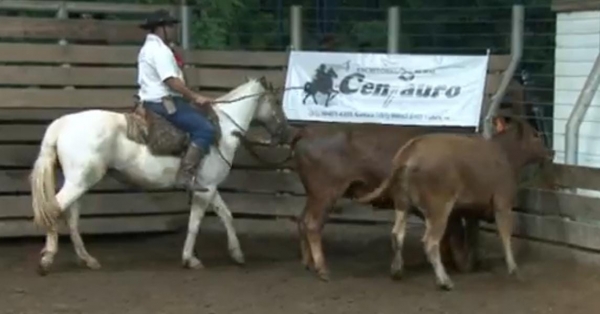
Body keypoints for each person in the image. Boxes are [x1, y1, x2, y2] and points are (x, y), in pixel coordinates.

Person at [137, 9, 215, 192]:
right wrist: (195, 97)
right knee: (205, 129)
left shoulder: (148, 48)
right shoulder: (160, 50)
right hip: (163, 103)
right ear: (160, 28)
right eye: (170, 25)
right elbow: (171, 81)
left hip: (154, 101)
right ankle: (185, 175)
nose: (174, 29)